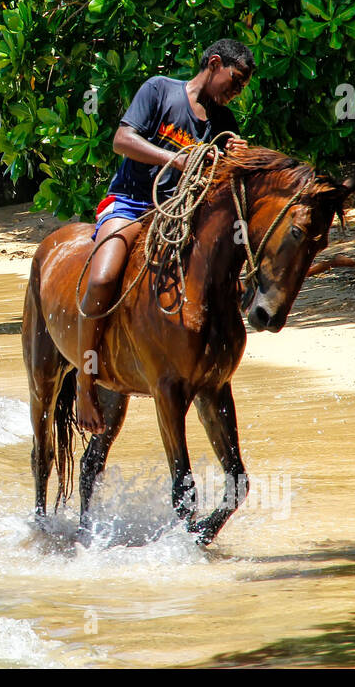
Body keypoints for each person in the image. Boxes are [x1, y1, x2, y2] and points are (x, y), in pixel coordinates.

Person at [75, 39, 254, 433]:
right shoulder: (160, 90)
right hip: (131, 204)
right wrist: (174, 157)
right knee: (103, 278)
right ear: (214, 63)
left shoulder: (224, 124)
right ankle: (85, 384)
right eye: (235, 79)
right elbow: (122, 139)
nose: (236, 90)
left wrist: (237, 156)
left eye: (242, 86)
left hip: (182, 216)